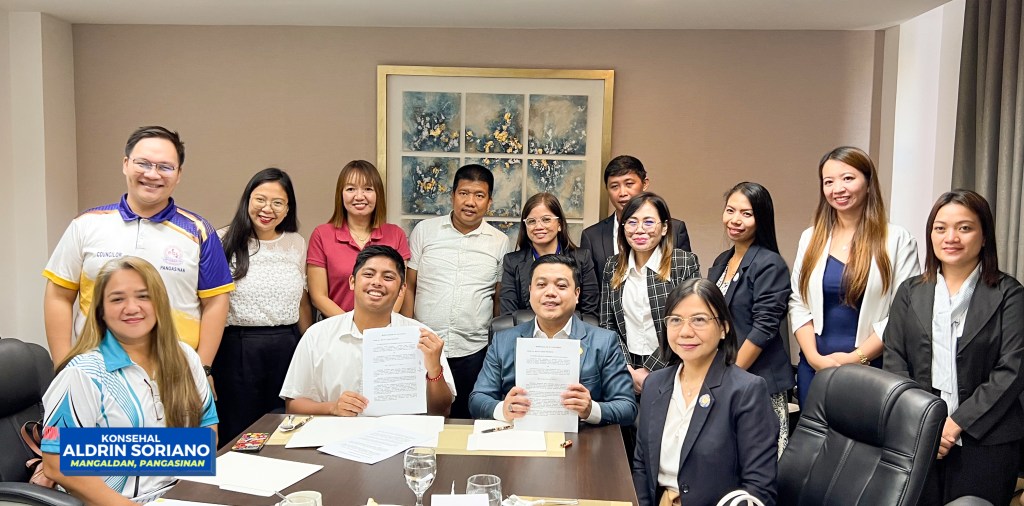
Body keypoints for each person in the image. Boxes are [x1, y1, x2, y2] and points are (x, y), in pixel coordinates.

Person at [43, 126, 235, 374]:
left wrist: (202, 367)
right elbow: (59, 295)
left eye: (165, 167)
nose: (152, 174)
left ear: (179, 174)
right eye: (143, 163)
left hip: (174, 370)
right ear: (125, 164)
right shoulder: (86, 224)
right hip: (97, 370)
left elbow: (216, 302)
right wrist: (64, 366)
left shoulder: (199, 231)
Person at [883, 190, 1024, 506]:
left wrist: (955, 425)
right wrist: (924, 423)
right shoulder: (910, 292)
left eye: (965, 228)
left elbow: (1012, 371)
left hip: (986, 440)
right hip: (919, 435)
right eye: (940, 228)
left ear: (984, 236)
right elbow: (895, 360)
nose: (951, 237)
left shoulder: (1010, 294)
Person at [40, 257, 218, 505]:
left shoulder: (186, 357)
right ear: (101, 311)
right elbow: (56, 463)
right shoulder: (82, 373)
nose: (132, 308)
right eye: (117, 299)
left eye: (144, 296)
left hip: (179, 495)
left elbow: (206, 433)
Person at [789, 146, 919, 407]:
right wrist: (814, 358)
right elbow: (798, 302)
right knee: (812, 433)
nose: (838, 188)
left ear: (869, 183)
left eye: (848, 178)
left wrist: (856, 359)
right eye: (828, 182)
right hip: (815, 366)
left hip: (873, 367)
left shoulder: (897, 240)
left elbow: (902, 313)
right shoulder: (810, 238)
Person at [632, 279, 777, 506]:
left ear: (723, 328)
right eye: (675, 320)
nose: (685, 332)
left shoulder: (746, 391)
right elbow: (642, 465)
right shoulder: (654, 384)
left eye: (699, 320)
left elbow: (759, 489)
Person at [282, 246, 455, 416]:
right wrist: (332, 408)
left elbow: (441, 411)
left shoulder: (422, 337)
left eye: (388, 277)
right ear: (352, 282)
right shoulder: (317, 335)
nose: (377, 282)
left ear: (402, 289)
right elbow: (293, 406)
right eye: (368, 274)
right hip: (338, 431)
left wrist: (434, 370)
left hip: (403, 432)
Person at [470, 254, 636, 425]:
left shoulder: (604, 341)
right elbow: (477, 399)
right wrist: (503, 409)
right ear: (530, 291)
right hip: (521, 436)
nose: (550, 293)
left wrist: (590, 409)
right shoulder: (503, 341)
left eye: (561, 285)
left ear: (576, 294)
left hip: (582, 437)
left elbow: (627, 407)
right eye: (541, 285)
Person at [401, 164, 510, 419]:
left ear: (489, 201)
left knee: (467, 420)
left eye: (479, 195)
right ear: (452, 195)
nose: (470, 202)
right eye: (464, 193)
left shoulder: (500, 241)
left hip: (474, 350)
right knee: (422, 418)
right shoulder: (425, 231)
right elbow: (410, 286)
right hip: (424, 345)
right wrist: (405, 333)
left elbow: (497, 296)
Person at [214, 168, 313, 443]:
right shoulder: (222, 240)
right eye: (260, 199)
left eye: (277, 202)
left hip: (287, 346)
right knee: (239, 431)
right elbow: (209, 303)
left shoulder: (296, 243)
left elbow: (302, 300)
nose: (267, 209)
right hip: (237, 348)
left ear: (288, 208)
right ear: (247, 200)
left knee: (283, 430)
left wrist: (308, 345)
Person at [707, 182, 794, 456]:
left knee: (759, 463)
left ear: (761, 219)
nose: (735, 220)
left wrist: (730, 375)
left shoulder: (770, 263)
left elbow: (764, 328)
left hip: (758, 381)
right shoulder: (722, 261)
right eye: (730, 210)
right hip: (724, 377)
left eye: (746, 214)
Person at [599, 192, 700, 393]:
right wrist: (626, 369)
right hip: (624, 368)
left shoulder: (683, 263)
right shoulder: (613, 266)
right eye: (632, 222)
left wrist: (649, 370)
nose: (639, 230)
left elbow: (687, 323)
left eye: (648, 222)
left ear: (664, 228)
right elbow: (607, 324)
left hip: (673, 364)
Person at [306, 160, 410, 317]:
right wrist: (351, 325)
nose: (359, 196)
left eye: (368, 189)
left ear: (378, 194)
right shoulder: (321, 234)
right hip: (336, 325)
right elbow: (318, 296)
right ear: (340, 194)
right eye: (350, 189)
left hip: (383, 327)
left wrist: (379, 324)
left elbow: (399, 290)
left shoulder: (396, 235)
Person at [581, 155, 692, 272]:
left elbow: (685, 276)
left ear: (645, 183)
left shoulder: (675, 229)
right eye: (614, 186)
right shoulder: (592, 236)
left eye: (629, 184)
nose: (622, 193)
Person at [500, 192, 599, 318]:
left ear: (559, 224)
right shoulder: (512, 262)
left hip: (573, 330)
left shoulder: (582, 258)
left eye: (546, 220)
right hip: (526, 330)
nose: (538, 226)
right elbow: (509, 317)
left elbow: (590, 315)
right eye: (531, 221)